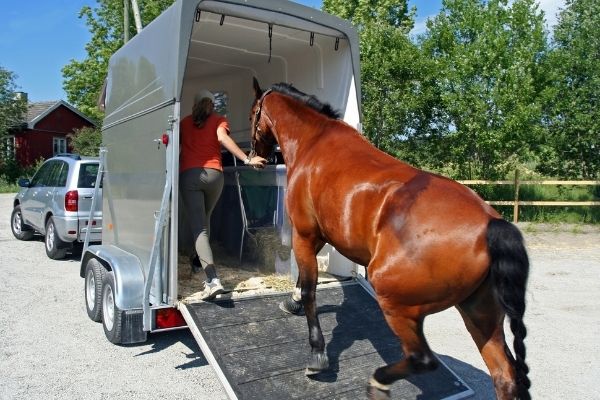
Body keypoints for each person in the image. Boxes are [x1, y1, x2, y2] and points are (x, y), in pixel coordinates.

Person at [179, 89, 267, 300]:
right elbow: (222, 139)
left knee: (199, 228)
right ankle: (197, 259)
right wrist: (246, 160)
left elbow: (175, 147)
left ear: (194, 105)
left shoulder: (183, 123)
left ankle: (212, 280)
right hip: (215, 176)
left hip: (191, 175)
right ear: (212, 104)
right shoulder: (219, 120)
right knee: (205, 221)